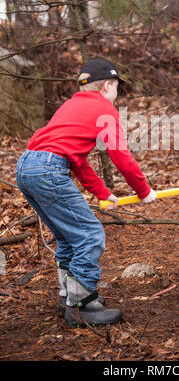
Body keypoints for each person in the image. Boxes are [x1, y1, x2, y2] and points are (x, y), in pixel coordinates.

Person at [16, 58, 157, 328]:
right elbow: (121, 156)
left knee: (70, 238)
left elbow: (77, 161)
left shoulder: (71, 106)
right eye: (118, 88)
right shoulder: (104, 109)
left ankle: (68, 297)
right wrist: (143, 190)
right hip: (48, 169)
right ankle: (81, 305)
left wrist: (103, 193)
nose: (117, 95)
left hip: (27, 166)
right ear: (107, 86)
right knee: (90, 234)